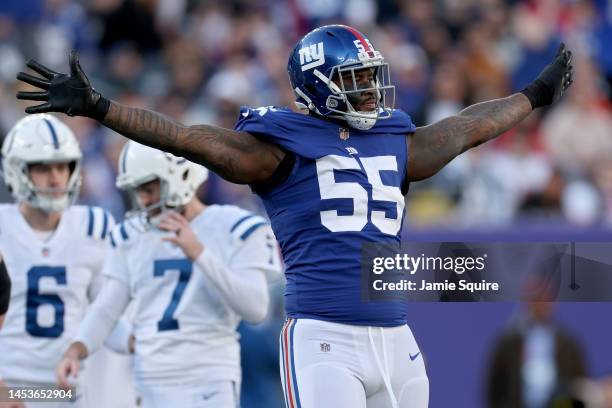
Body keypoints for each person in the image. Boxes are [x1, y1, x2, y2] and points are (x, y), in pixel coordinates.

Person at [16, 24, 573, 408]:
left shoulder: (394, 139)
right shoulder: (276, 147)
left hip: (398, 337)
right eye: (355, 78)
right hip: (325, 337)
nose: (370, 90)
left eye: (369, 75)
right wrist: (101, 108)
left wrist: (533, 94)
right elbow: (188, 139)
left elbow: (465, 129)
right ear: (318, 85)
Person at [55, 141, 282, 408]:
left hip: (209, 377)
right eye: (139, 191)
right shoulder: (131, 234)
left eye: (149, 189)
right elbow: (107, 307)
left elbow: (255, 309)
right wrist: (75, 351)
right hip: (149, 378)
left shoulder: (233, 226)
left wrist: (199, 254)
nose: (144, 200)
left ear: (179, 177)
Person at [0, 114, 134, 408]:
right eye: (43, 167)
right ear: (16, 169)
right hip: (7, 385)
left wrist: (140, 343)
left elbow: (106, 316)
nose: (56, 177)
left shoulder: (93, 226)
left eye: (63, 166)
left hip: (63, 387)